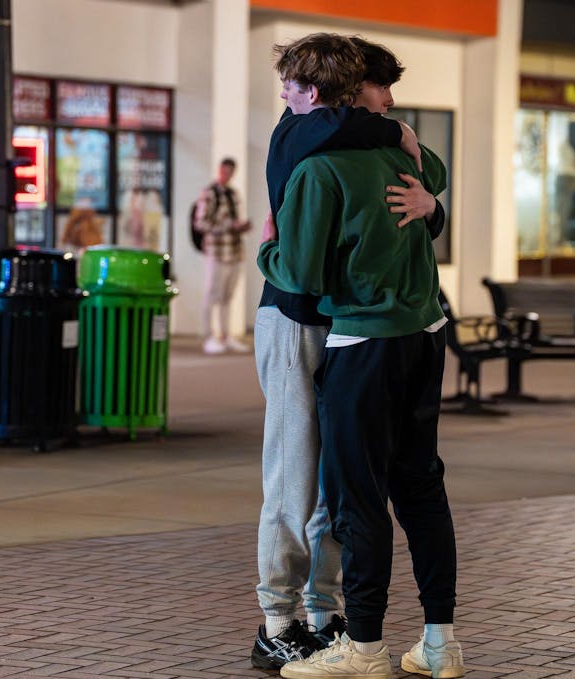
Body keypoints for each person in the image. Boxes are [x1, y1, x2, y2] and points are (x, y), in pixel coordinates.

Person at [259, 38, 463, 679]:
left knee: (345, 493)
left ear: (316, 91)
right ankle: (292, 621)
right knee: (327, 482)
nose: (285, 100)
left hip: (349, 333)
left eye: (292, 86)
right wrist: (414, 166)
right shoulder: (328, 142)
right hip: (394, 333)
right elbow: (427, 177)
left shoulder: (336, 163)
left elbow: (297, 270)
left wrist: (265, 250)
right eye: (384, 91)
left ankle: (345, 632)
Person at [195, 157, 252, 354]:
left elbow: (235, 220)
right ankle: (209, 336)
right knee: (212, 294)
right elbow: (201, 224)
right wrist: (227, 226)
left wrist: (241, 227)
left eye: (230, 172)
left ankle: (225, 336)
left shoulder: (233, 194)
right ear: (219, 170)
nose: (227, 175)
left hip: (235, 251)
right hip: (217, 252)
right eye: (224, 171)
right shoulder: (210, 193)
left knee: (227, 296)